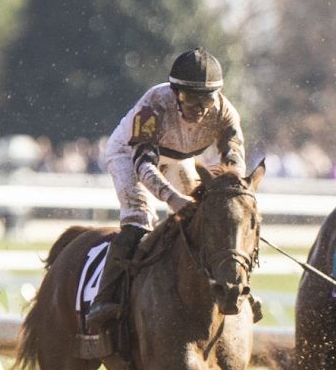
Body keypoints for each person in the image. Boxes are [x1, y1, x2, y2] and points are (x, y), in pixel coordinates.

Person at [85, 47, 247, 331]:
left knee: (210, 219)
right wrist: (174, 199)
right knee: (139, 220)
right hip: (129, 155)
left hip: (180, 158)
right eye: (189, 99)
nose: (198, 109)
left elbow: (236, 168)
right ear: (175, 93)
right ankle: (105, 298)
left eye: (206, 99)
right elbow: (144, 166)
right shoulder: (153, 105)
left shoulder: (225, 114)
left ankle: (232, 287)